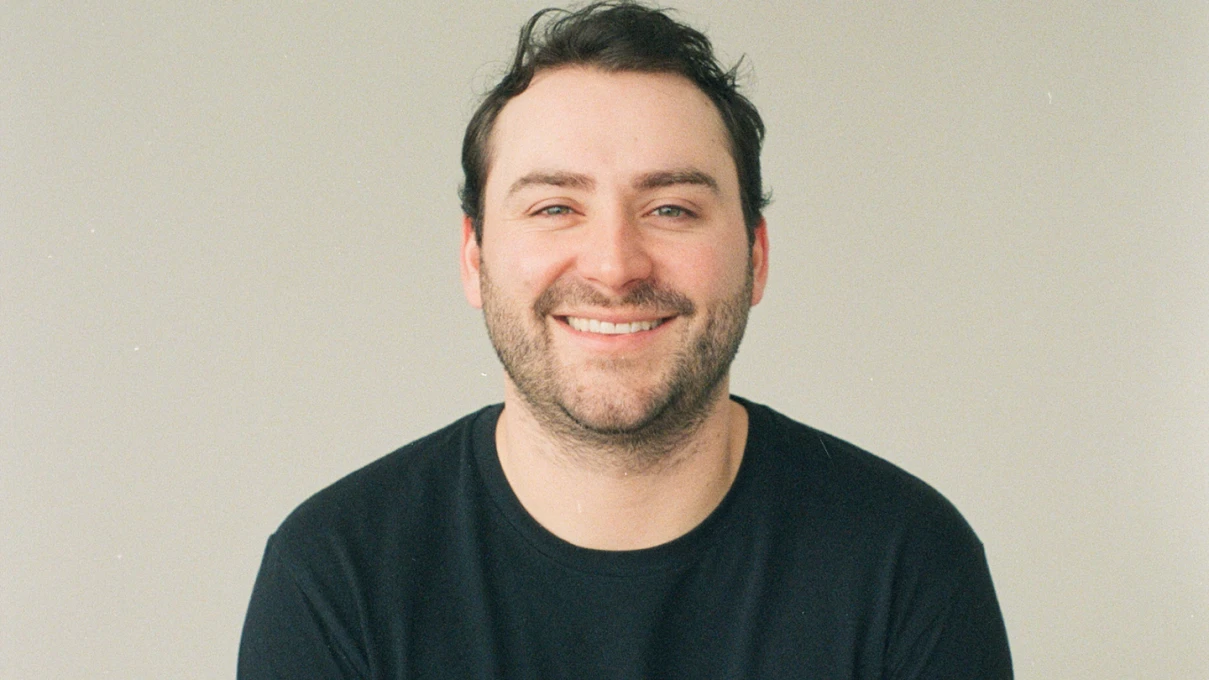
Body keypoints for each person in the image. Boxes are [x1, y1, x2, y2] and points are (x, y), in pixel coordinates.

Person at [238, 2, 1013, 678]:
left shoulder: (905, 561)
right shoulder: (336, 575)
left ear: (756, 257)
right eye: (554, 208)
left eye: (671, 209)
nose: (614, 266)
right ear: (474, 259)